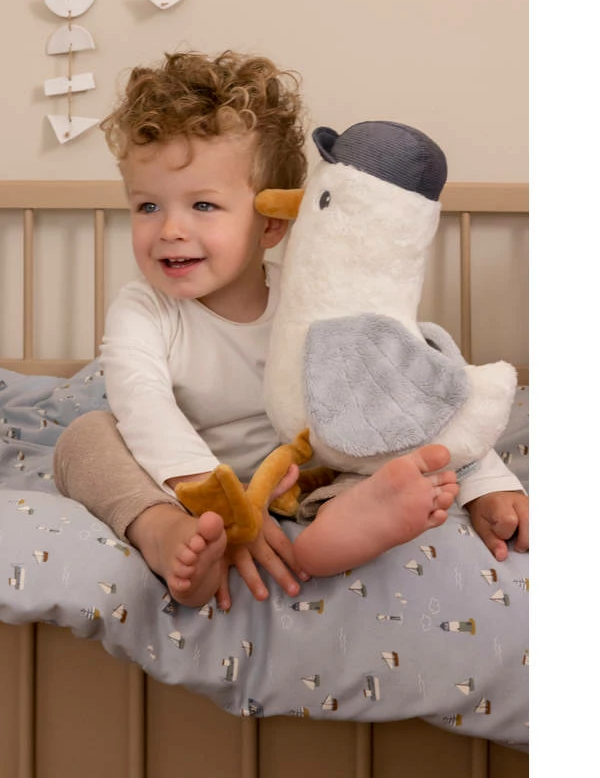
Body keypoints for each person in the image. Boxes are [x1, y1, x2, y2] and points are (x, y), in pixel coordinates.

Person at [54, 50, 465, 610]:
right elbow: (144, 407)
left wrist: (489, 487)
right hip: (187, 487)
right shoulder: (143, 309)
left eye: (202, 205)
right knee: (85, 436)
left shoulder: (310, 297)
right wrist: (217, 506)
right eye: (147, 206)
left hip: (300, 476)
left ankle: (339, 527)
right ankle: (161, 530)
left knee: (371, 446)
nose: (169, 229)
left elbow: (408, 383)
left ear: (270, 223)